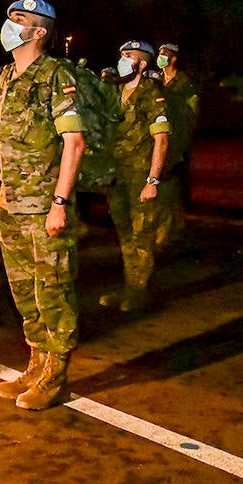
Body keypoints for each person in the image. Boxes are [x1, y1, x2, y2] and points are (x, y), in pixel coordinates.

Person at [0, 0, 86, 410]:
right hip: (11, 204)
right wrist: (1, 195)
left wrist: (60, 203)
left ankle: (57, 375)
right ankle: (36, 361)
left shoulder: (56, 75)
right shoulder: (9, 75)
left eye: (21, 19)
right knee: (24, 290)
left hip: (46, 203)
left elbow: (74, 141)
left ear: (39, 31)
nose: (11, 24)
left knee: (53, 290)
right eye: (10, 16)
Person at [99, 40, 171, 313]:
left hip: (141, 176)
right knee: (125, 236)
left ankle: (140, 293)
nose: (122, 59)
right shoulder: (115, 92)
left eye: (128, 56)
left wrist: (152, 181)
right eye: (121, 55)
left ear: (142, 64)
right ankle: (131, 286)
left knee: (142, 238)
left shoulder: (151, 93)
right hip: (118, 177)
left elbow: (161, 139)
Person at [154, 43, 198, 250]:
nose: (161, 57)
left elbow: (192, 113)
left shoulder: (184, 82)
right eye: (160, 53)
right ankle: (167, 225)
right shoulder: (156, 80)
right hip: (162, 137)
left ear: (174, 58)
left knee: (175, 183)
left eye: (165, 54)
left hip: (179, 138)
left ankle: (172, 227)